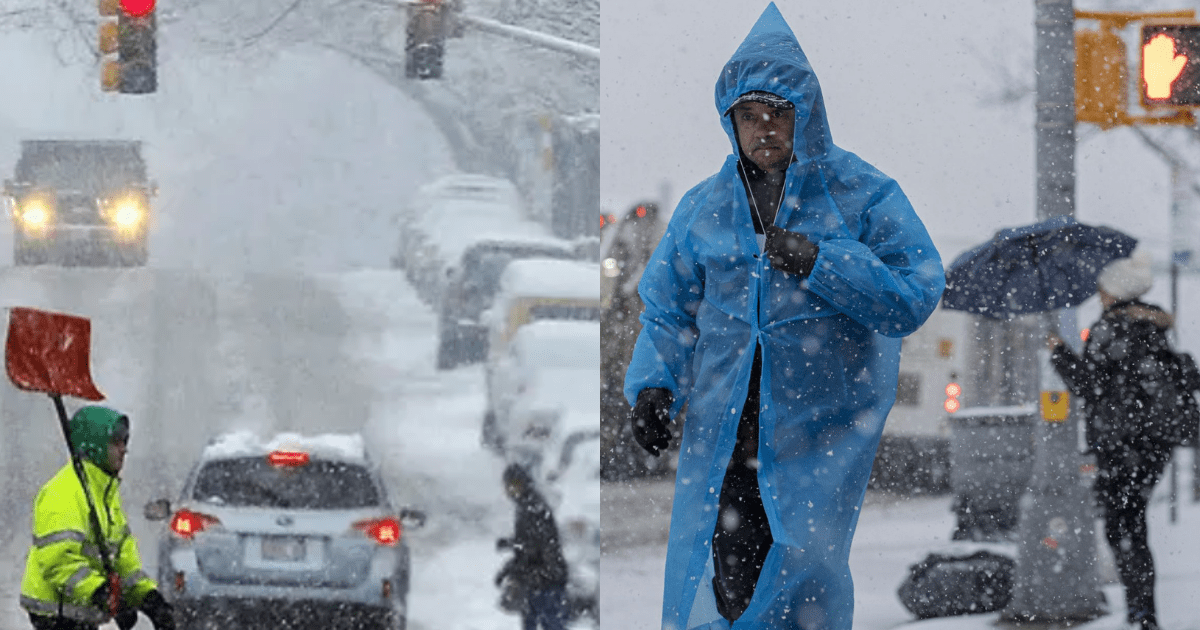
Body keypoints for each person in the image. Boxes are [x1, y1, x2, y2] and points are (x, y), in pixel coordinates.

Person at [622, 4, 944, 629]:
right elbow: (667, 309)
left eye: (779, 113)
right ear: (730, 120)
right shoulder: (703, 208)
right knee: (730, 584)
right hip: (725, 440)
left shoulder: (863, 194)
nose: (764, 128)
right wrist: (654, 389)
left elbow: (914, 293)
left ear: (807, 116)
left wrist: (823, 260)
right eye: (749, 115)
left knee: (806, 588)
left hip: (819, 440)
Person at [1047, 250, 1193, 630]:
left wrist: (1059, 353)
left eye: (1104, 290)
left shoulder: (1111, 328)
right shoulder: (1155, 327)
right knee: (1133, 525)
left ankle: (1141, 613)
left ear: (1118, 291)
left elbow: (1089, 385)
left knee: (1122, 528)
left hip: (1120, 443)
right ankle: (1142, 612)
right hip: (1153, 444)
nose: (1100, 296)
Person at [20, 405, 177, 630]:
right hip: (57, 614)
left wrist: (149, 600)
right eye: (115, 442)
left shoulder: (104, 494)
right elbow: (60, 562)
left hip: (83, 614)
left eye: (125, 441)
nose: (123, 449)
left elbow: (123, 561)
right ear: (94, 445)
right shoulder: (63, 492)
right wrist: (102, 594)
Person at [494, 463, 570, 630]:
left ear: (524, 483)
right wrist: (511, 566)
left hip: (548, 581)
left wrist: (512, 551)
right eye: (508, 486)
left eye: (515, 485)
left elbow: (535, 546)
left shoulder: (533, 507)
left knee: (551, 624)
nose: (511, 491)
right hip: (535, 582)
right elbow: (527, 545)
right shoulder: (525, 506)